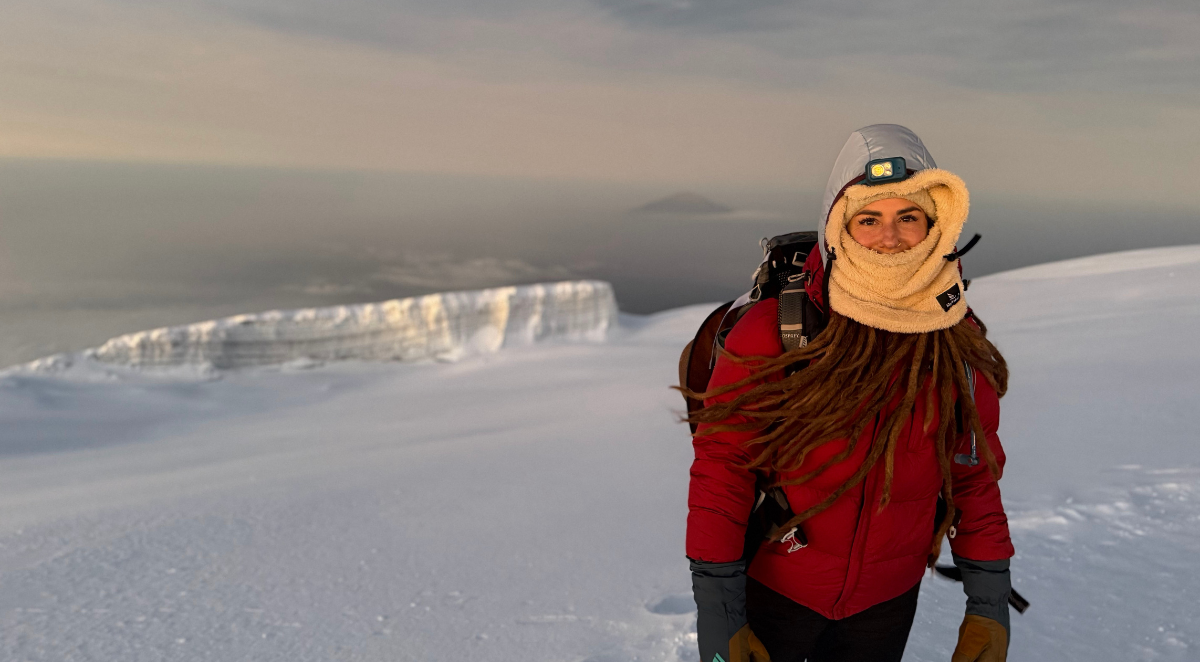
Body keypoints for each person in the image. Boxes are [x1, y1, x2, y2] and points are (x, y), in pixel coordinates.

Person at [685, 125, 1014, 662]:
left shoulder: (957, 344)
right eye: (869, 219)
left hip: (885, 606)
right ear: (838, 227)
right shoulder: (776, 332)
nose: (889, 237)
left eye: (908, 217)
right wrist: (719, 611)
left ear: (936, 225)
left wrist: (989, 607)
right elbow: (724, 468)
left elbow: (973, 477)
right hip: (776, 592)